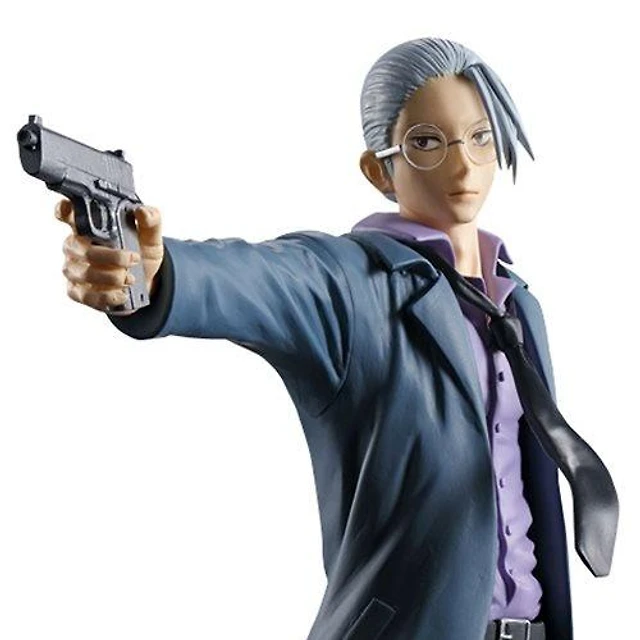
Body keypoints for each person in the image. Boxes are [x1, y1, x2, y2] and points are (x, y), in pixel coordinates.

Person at [56, 37, 609, 640]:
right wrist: (161, 272)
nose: (464, 165)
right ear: (379, 169)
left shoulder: (518, 304)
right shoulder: (351, 284)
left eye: (479, 137)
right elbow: (261, 279)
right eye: (427, 143)